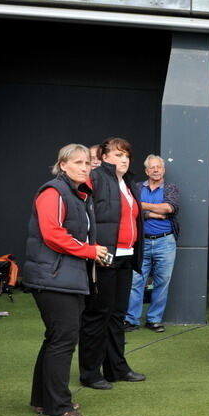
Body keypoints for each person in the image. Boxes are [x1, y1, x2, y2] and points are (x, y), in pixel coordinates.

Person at [24, 144, 108, 416]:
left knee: (55, 339)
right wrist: (90, 251)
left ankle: (43, 399)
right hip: (54, 279)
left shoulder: (77, 193)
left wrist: (93, 252)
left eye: (88, 163)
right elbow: (53, 234)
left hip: (64, 278)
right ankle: (59, 407)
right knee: (63, 341)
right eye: (78, 162)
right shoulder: (53, 192)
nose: (85, 167)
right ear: (63, 165)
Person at [79, 138, 145, 390]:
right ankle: (90, 373)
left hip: (126, 255)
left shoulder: (129, 183)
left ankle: (117, 368)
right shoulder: (95, 178)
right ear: (104, 157)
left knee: (117, 315)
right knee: (97, 315)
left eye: (126, 155)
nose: (124, 159)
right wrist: (92, 248)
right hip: (104, 256)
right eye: (118, 155)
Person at [125, 155, 179, 333]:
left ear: (163, 170)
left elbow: (169, 208)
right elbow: (132, 210)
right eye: (152, 168)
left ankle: (154, 320)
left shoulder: (171, 188)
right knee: (135, 281)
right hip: (141, 242)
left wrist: (143, 207)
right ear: (146, 171)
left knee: (162, 282)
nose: (156, 170)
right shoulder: (138, 187)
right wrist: (153, 212)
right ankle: (131, 320)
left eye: (159, 167)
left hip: (166, 241)